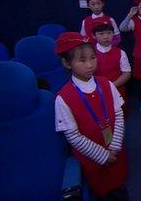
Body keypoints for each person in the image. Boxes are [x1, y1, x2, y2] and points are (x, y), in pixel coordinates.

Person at [54, 32, 128, 199]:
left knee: (120, 187)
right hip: (93, 160)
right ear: (67, 63)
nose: (90, 65)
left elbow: (118, 114)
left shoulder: (106, 84)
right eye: (82, 60)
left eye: (93, 57)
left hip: (115, 151)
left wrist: (115, 145)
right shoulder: (63, 98)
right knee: (102, 192)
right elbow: (73, 136)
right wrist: (102, 155)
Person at [119, 0, 141, 112]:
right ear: (137, 9)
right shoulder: (134, 21)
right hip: (139, 55)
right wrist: (130, 15)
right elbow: (122, 28)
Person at [93, 23, 132, 119]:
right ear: (94, 36)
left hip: (117, 89)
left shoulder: (120, 52)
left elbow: (127, 73)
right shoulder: (90, 53)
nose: (106, 37)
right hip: (96, 91)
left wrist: (112, 86)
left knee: (119, 117)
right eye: (101, 34)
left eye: (109, 33)